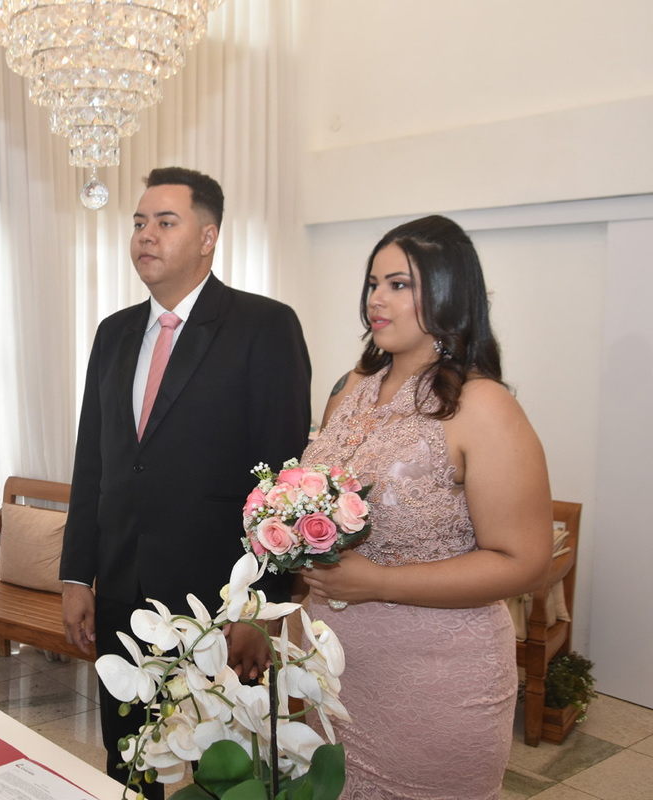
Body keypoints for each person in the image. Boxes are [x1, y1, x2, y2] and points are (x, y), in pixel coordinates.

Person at [59, 167, 311, 793]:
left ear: (207, 237)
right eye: (139, 222)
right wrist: (75, 574)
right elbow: (93, 461)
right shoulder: (113, 334)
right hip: (121, 590)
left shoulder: (263, 327)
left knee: (220, 770)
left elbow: (283, 481)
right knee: (130, 759)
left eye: (165, 222)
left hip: (218, 601)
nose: (145, 235)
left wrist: (260, 606)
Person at [300, 215, 553, 798]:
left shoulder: (483, 406)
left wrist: (380, 581)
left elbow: (524, 561)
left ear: (448, 295)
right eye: (372, 284)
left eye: (398, 284)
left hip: (435, 681)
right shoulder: (350, 388)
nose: (376, 301)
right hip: (334, 669)